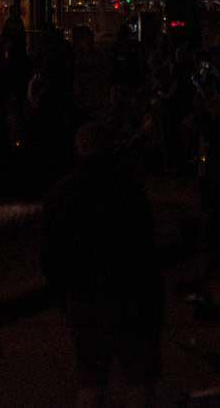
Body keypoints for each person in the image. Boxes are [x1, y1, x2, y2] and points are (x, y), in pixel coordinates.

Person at [42, 122, 163, 406]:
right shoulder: (128, 188)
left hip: (84, 297)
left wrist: (62, 295)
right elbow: (145, 246)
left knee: (91, 378)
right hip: (129, 294)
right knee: (137, 379)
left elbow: (50, 255)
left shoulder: (61, 194)